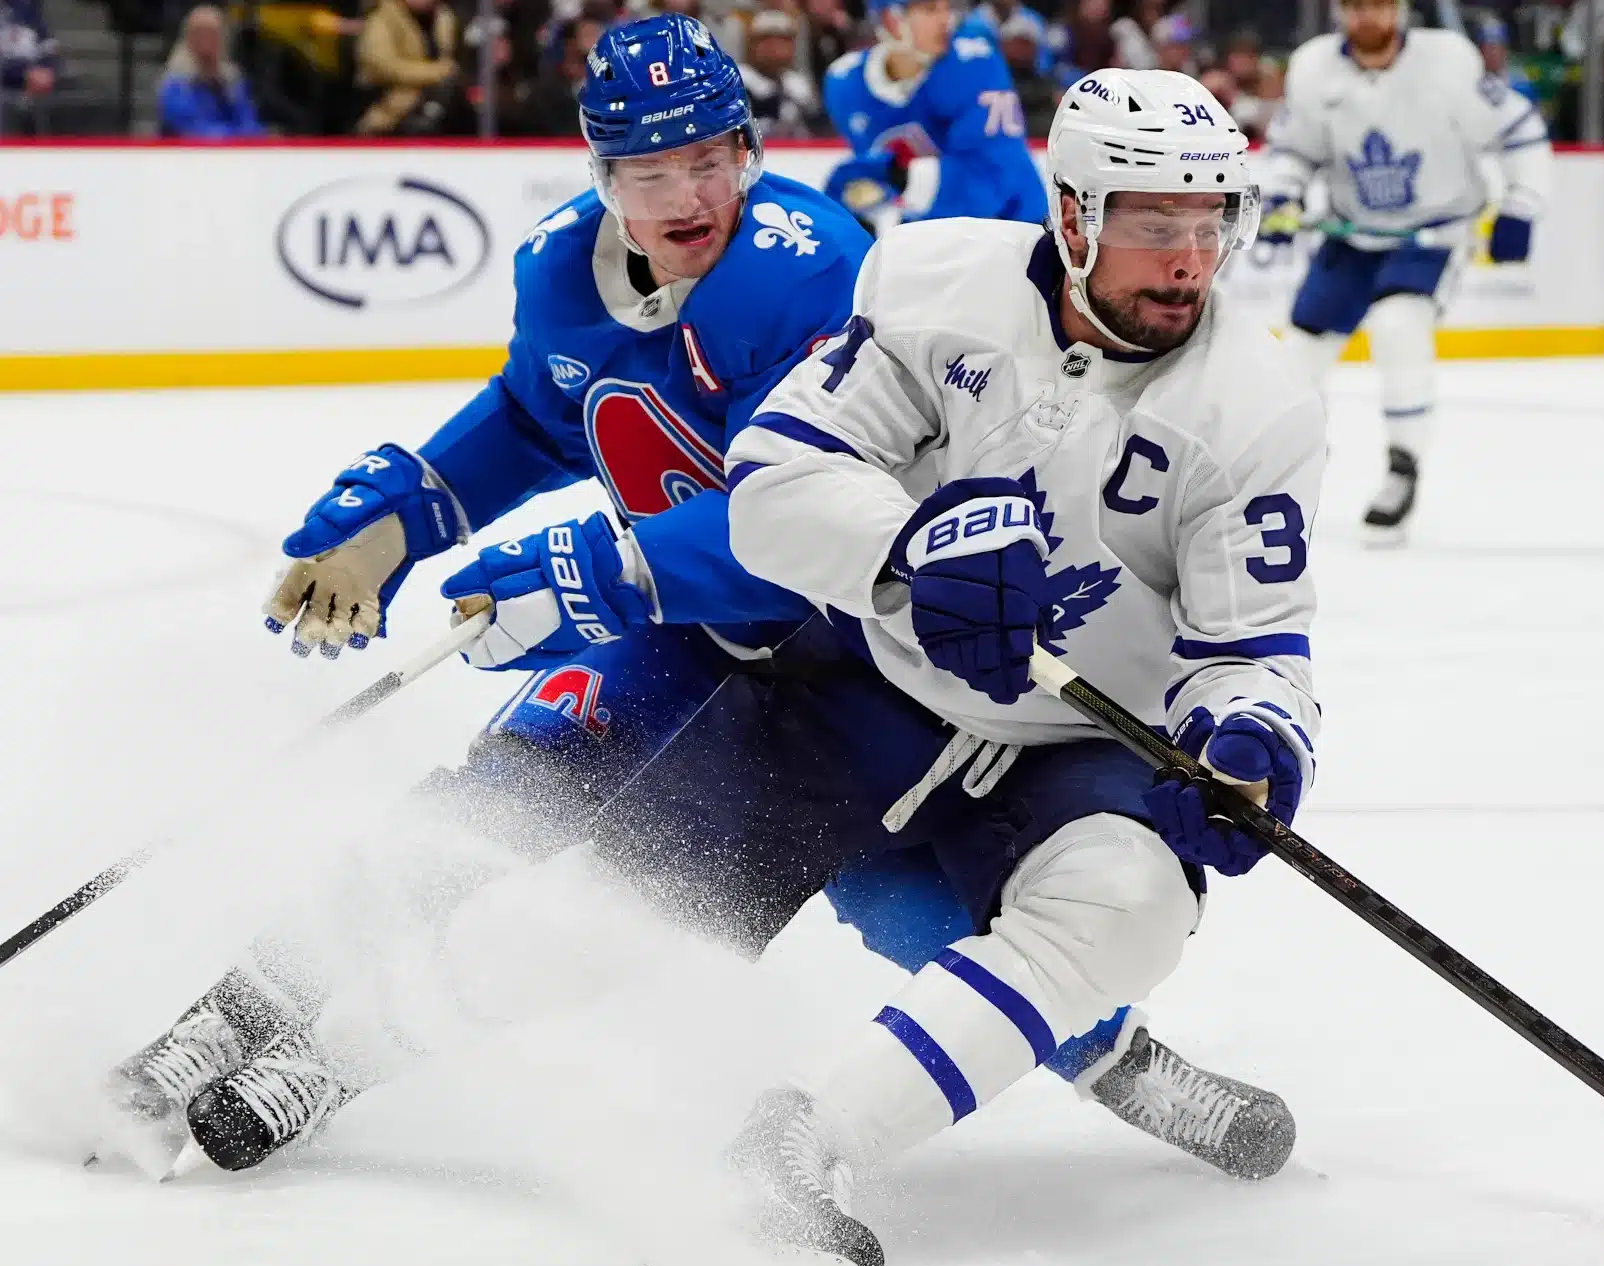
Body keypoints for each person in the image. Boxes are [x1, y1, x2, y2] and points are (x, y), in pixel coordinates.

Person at [100, 17, 1290, 1195]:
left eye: (709, 159)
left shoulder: (806, 267)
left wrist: (601, 564)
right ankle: (247, 1012)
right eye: (648, 168)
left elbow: (800, 503)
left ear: (749, 154)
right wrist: (397, 523)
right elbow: (529, 417)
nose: (686, 195)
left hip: (845, 655)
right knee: (497, 801)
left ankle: (1123, 1061)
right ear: (597, 171)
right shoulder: (562, 273)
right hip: (682, 634)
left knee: (914, 907)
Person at [690, 66, 1324, 1266]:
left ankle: (793, 1148)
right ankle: (1113, 1057)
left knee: (1130, 905)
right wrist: (907, 549)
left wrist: (1246, 739)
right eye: (1153, 223)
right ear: (1072, 213)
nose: (1189, 260)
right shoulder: (932, 283)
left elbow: (1254, 646)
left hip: (1063, 738)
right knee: (614, 899)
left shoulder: (1256, 406)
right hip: (867, 690)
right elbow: (769, 481)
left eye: (1211, 225)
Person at [1260, 0, 1551, 539]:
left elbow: (1519, 129)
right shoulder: (1313, 67)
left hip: (1431, 233)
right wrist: (1281, 196)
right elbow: (1293, 150)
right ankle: (1293, 466)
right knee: (1296, 359)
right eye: (1354, 5)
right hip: (1352, 232)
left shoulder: (1449, 62)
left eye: (1378, 3)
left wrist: (1522, 204)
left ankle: (1403, 466)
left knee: (1399, 327)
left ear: (1398, 8)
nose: (1367, 16)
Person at [820, 0, 1045, 234]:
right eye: (930, 10)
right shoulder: (845, 83)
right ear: (891, 19)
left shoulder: (976, 64)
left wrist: (899, 179)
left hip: (1016, 229)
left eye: (947, 8)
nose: (945, 20)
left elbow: (991, 178)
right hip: (928, 234)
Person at [157, 5, 266, 139]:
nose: (206, 40)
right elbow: (188, 128)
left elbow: (249, 122)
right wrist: (232, 136)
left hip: (234, 153)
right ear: (189, 38)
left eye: (212, 33)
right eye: (200, 33)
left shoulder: (231, 79)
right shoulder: (176, 82)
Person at [353, 0, 461, 134]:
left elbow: (454, 59)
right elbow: (382, 66)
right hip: (391, 111)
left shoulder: (444, 17)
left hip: (441, 103)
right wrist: (437, 73)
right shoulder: (382, 17)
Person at [739, 8, 821, 139]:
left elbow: (817, 131)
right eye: (767, 41)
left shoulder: (798, 84)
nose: (777, 49)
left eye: (784, 42)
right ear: (751, 45)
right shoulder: (736, 81)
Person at [0, 0, 58, 134]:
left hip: (31, 81)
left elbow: (49, 45)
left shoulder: (27, 9)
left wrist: (47, 69)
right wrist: (23, 72)